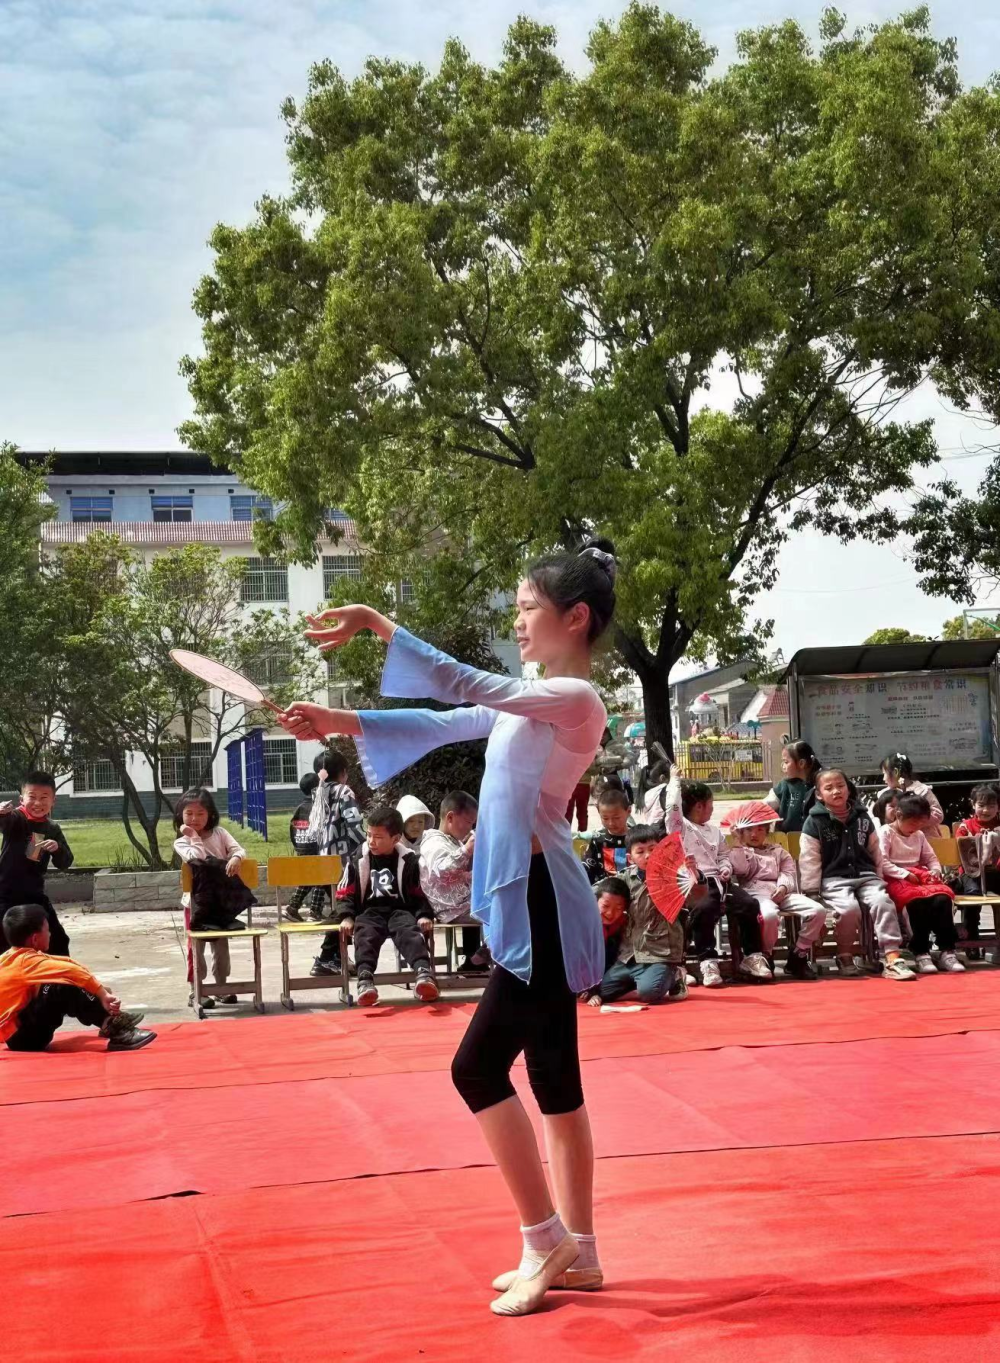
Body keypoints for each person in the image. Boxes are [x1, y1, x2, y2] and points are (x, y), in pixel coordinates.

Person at [278, 539, 617, 1315]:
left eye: (528, 607)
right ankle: (583, 1251)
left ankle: (546, 1239)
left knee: (476, 1070)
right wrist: (339, 720)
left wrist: (377, 622)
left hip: (542, 900)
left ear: (575, 617)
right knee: (555, 1083)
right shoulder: (536, 696)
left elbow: (467, 683)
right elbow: (456, 715)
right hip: (537, 896)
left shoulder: (576, 698)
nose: (518, 621)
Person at [799, 769, 915, 981]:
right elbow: (809, 859)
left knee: (883, 902)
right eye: (829, 788)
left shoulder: (862, 817)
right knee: (849, 910)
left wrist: (879, 877)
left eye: (840, 786)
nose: (836, 791)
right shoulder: (814, 822)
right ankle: (844, 955)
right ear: (818, 794)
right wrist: (812, 892)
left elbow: (875, 849)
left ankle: (892, 957)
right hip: (834, 880)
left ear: (848, 788)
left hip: (866, 876)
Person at [662, 767, 772, 987]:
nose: (712, 809)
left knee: (749, 904)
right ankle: (707, 961)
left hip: (721, 882)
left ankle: (751, 957)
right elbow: (673, 806)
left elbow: (722, 856)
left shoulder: (715, 832)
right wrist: (674, 781)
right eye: (710, 805)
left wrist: (726, 868)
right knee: (705, 908)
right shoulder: (681, 827)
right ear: (699, 806)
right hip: (697, 882)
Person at [321, 805, 438, 1005]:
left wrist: (424, 915)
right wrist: (347, 916)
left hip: (399, 911)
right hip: (369, 912)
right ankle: (365, 980)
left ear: (395, 839)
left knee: (409, 932)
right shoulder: (358, 859)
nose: (371, 841)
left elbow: (419, 893)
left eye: (378, 837)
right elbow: (345, 891)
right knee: (365, 934)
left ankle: (423, 974)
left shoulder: (409, 861)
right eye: (369, 835)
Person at [1, 903, 155, 1051]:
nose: (50, 934)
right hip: (26, 1038)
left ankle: (106, 1017)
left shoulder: (10, 957)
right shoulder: (26, 962)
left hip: (18, 1034)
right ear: (35, 939)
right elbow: (70, 971)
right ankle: (116, 1030)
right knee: (62, 985)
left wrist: (98, 990)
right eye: (47, 930)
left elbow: (66, 963)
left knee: (67, 980)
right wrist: (102, 994)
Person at [725, 801, 828, 979]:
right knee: (769, 916)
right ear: (741, 832)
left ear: (767, 831)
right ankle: (766, 955)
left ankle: (799, 953)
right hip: (756, 894)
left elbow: (788, 872)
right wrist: (737, 844)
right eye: (748, 830)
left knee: (818, 910)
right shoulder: (741, 851)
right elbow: (740, 870)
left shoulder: (778, 851)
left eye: (760, 829)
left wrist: (783, 887)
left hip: (782, 892)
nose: (754, 834)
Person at [589, 828, 687, 1005]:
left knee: (650, 993)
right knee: (603, 993)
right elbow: (598, 890)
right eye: (640, 852)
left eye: (652, 849)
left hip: (659, 954)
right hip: (630, 954)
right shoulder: (625, 878)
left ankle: (675, 975)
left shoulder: (674, 877)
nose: (648, 855)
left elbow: (697, 895)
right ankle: (640, 981)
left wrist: (697, 876)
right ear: (630, 858)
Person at [173, 789, 247, 1009]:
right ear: (180, 815)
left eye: (200, 813)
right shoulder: (181, 842)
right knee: (196, 948)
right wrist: (194, 837)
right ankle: (195, 989)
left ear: (211, 814)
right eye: (189, 813)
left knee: (221, 946)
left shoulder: (220, 834)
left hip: (220, 903)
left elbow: (239, 850)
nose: (194, 819)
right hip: (195, 904)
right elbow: (197, 859)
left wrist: (236, 857)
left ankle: (221, 987)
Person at [878, 793, 963, 974]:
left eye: (920, 824)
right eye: (912, 823)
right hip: (896, 877)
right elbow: (882, 861)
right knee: (915, 902)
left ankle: (947, 950)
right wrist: (904, 873)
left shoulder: (919, 834)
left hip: (919, 876)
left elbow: (930, 858)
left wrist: (935, 870)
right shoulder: (885, 832)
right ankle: (921, 952)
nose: (916, 828)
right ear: (899, 815)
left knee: (942, 898)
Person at [0, 772, 73, 956]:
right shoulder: (16, 818)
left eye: (44, 797)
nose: (38, 803)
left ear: (53, 801)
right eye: (32, 797)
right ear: (21, 799)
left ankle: (60, 974)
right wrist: (1, 813)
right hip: (5, 895)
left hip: (34, 895)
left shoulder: (51, 828)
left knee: (58, 940)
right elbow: (4, 823)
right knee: (5, 941)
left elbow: (65, 863)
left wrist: (57, 849)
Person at [419, 790, 488, 974]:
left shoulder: (452, 841)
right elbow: (441, 872)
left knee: (513, 903)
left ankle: (479, 958)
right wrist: (467, 850)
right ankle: (480, 958)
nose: (470, 827)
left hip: (465, 903)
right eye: (468, 822)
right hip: (453, 908)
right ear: (450, 817)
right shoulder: (433, 842)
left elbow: (460, 875)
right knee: (510, 909)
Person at [955, 783, 1000, 959]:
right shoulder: (965, 827)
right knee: (972, 894)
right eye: (981, 805)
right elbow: (963, 852)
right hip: (971, 872)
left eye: (991, 805)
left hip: (995, 871)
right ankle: (971, 939)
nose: (986, 810)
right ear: (973, 805)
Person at [581, 876, 630, 1004]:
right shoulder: (584, 922)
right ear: (595, 901)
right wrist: (591, 991)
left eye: (618, 909)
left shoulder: (624, 923)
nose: (610, 913)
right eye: (605, 906)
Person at [877, 752, 944, 836]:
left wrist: (915, 819)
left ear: (895, 772)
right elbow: (879, 817)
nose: (883, 779)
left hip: (927, 839)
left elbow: (938, 815)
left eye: (884, 774)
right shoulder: (884, 795)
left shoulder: (922, 790)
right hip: (896, 840)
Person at [764, 740, 822, 833]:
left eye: (786, 762)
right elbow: (766, 805)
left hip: (815, 838)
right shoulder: (783, 786)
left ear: (801, 763)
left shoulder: (821, 784)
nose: (783, 766)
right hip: (786, 839)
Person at [581, 787, 631, 883]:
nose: (611, 823)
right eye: (605, 818)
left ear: (628, 811)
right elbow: (588, 866)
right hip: (604, 888)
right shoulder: (598, 839)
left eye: (616, 818)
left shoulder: (636, 837)